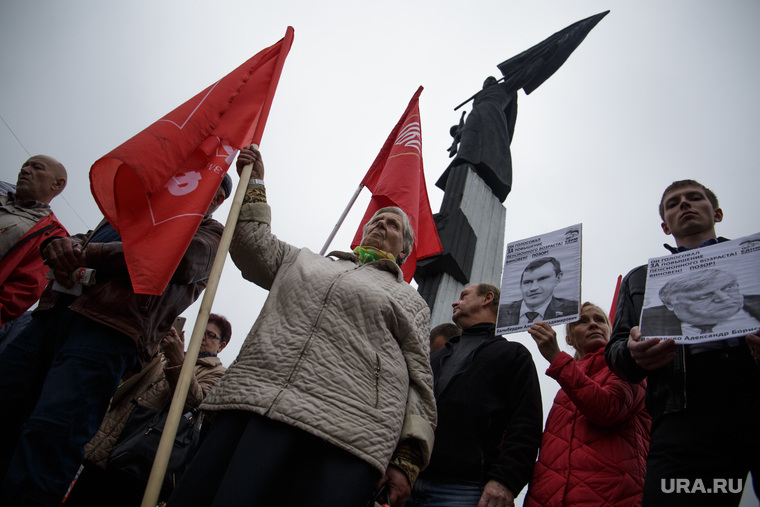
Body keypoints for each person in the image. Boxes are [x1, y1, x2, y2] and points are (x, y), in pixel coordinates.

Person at [168, 146, 436, 507]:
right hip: (256, 403)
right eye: (376, 220)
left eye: (393, 226)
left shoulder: (410, 300)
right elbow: (251, 244)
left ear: (403, 251)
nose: (380, 225)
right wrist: (256, 184)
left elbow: (420, 383)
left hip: (346, 434)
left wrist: (407, 460)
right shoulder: (304, 260)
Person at [0, 174, 231, 507]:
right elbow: (78, 241)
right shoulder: (131, 213)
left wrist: (87, 254)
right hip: (51, 319)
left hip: (107, 332)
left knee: (51, 434)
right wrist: (59, 247)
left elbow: (169, 258)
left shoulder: (210, 235)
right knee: (7, 403)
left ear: (218, 201)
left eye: (205, 181)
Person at [605, 180, 760, 506]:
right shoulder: (640, 279)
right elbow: (616, 351)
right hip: (682, 421)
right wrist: (634, 354)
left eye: (694, 198)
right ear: (665, 225)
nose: (685, 205)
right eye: (674, 203)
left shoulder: (754, 261)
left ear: (716, 212)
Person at [64, 314, 232, 507]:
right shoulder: (164, 356)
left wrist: (178, 361)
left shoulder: (218, 373)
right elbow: (129, 377)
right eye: (201, 331)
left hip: (139, 461)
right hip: (108, 446)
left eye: (211, 335)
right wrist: (153, 345)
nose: (203, 337)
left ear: (222, 346)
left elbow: (193, 404)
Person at [407, 283, 542, 507]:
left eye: (463, 296)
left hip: (465, 490)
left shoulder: (513, 355)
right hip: (409, 479)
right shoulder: (435, 357)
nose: (455, 302)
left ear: (487, 298)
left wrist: (505, 481)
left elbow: (526, 426)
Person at [524, 302, 650, 507]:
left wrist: (556, 358)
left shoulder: (627, 366)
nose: (593, 324)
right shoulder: (564, 385)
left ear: (611, 331)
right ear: (569, 339)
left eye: (599, 320)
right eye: (583, 321)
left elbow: (608, 409)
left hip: (611, 496)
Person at [0, 155, 68, 328]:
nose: (25, 170)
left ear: (57, 184)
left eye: (37, 167)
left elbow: (22, 291)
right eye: (25, 165)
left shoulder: (52, 234)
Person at [640, 268, 760, 337]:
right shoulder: (646, 321)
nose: (724, 298)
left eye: (728, 287)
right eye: (704, 295)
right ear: (670, 304)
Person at [497, 257, 578, 327]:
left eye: (542, 279)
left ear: (558, 278)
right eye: (527, 282)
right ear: (520, 285)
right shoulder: (499, 313)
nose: (533, 288)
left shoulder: (571, 310)